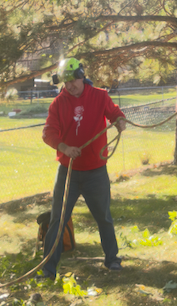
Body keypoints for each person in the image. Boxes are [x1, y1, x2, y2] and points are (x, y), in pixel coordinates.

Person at [40, 57, 127, 278]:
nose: (69, 86)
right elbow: (48, 133)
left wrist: (119, 121)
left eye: (72, 80)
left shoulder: (100, 96)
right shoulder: (58, 104)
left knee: (103, 217)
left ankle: (112, 259)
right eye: (65, 82)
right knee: (57, 220)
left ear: (81, 76)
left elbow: (115, 112)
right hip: (68, 172)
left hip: (95, 171)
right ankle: (48, 269)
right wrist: (64, 147)